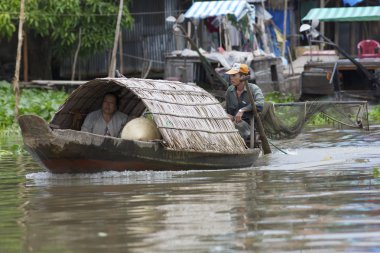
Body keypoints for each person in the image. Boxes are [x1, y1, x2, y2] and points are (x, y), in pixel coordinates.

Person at [225, 63, 264, 139]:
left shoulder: (254, 89)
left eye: (234, 75)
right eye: (230, 76)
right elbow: (228, 110)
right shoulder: (230, 90)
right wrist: (227, 115)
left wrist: (242, 110)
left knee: (237, 127)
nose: (231, 78)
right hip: (232, 123)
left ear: (243, 77)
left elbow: (260, 104)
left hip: (248, 127)